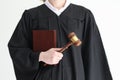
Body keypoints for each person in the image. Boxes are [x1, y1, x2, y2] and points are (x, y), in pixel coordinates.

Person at [8, 0, 113, 80]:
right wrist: (41, 56)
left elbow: (94, 57)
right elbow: (17, 49)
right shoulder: (31, 16)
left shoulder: (83, 16)